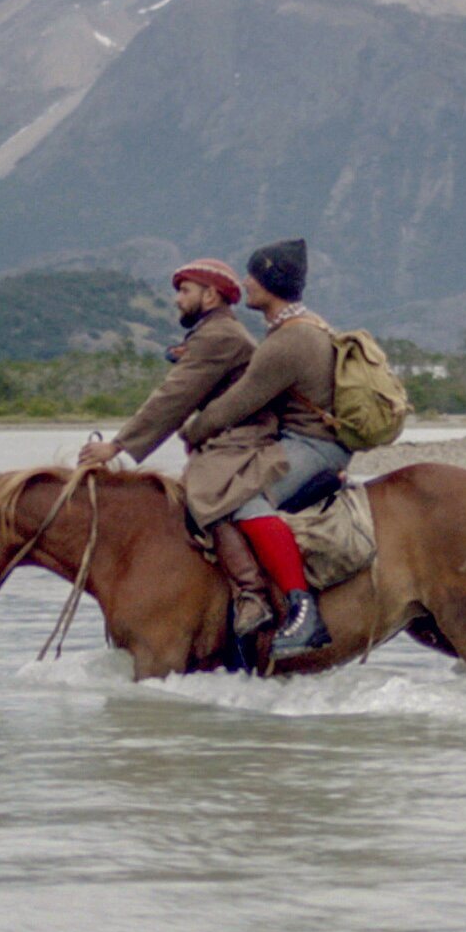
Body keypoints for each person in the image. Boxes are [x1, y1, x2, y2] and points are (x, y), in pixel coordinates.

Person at [75, 258, 279, 643]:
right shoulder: (210, 334)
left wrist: (116, 446)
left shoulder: (221, 337)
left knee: (205, 496)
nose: (177, 300)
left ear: (211, 294)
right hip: (225, 438)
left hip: (244, 440)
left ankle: (253, 594)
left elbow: (173, 397)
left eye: (185, 291)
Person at [180, 237, 346, 654]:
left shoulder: (289, 340)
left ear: (270, 281)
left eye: (253, 274)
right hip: (299, 439)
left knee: (240, 500)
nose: (245, 282)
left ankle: (302, 610)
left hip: (313, 446)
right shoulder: (301, 327)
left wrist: (193, 433)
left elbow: (236, 404)